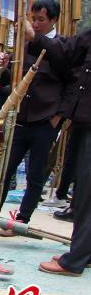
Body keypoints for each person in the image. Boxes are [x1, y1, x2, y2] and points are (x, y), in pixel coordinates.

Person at [21, 22, 91, 278]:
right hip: (83, 118)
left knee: (88, 193)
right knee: (84, 190)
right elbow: (68, 52)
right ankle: (84, 252)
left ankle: (76, 260)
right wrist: (36, 38)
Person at [0, 0, 69, 234]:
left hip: (46, 117)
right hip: (21, 115)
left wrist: (58, 116)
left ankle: (21, 221)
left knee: (36, 173)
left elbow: (71, 84)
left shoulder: (63, 46)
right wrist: (3, 65)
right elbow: (12, 79)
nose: (35, 25)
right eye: (32, 19)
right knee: (4, 169)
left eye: (41, 20)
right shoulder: (23, 45)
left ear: (53, 20)